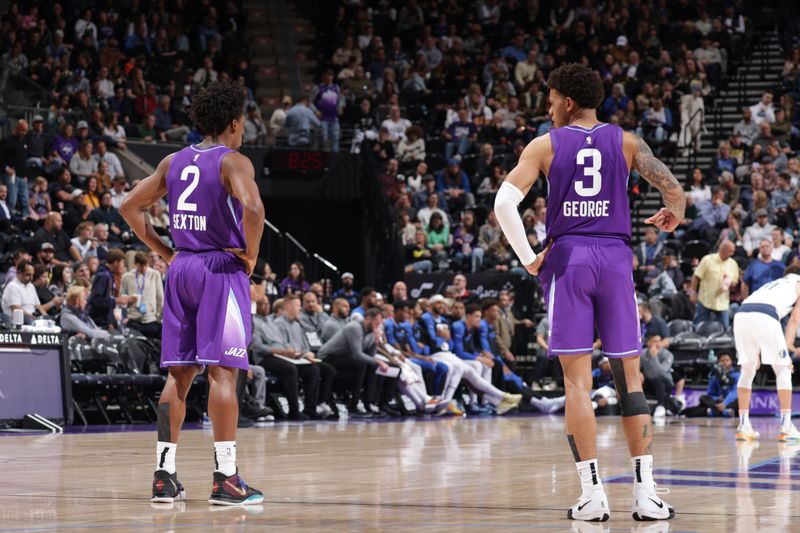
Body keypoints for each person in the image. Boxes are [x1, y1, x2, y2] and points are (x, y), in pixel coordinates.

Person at [494, 64, 684, 522]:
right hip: (616, 258)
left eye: (552, 98)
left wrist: (527, 257)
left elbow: (503, 203)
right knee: (630, 380)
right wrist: (673, 211)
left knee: (577, 383)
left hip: (570, 257)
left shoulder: (543, 144)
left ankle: (593, 495)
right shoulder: (626, 141)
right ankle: (645, 495)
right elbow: (672, 188)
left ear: (569, 102)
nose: (549, 106)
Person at [119, 81, 265, 505]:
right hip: (220, 267)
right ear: (234, 123)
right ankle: (226, 479)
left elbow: (129, 205)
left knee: (179, 375)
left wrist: (166, 251)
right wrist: (251, 256)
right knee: (223, 373)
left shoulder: (173, 160)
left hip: (181, 267)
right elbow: (254, 209)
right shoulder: (233, 161)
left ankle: (164, 476)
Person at [734, 266, 800, 442]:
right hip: (765, 314)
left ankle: (743, 426)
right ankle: (786, 427)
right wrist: (788, 349)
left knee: (747, 370)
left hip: (742, 312)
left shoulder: (775, 283)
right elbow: (794, 319)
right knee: (784, 369)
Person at [691, 241, 739, 328]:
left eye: (733, 251)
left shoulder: (733, 264)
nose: (732, 254)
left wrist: (730, 283)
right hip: (705, 299)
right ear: (722, 249)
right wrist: (693, 293)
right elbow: (696, 277)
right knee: (698, 326)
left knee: (724, 328)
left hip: (722, 302)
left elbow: (735, 283)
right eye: (730, 251)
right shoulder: (707, 260)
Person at [120, 251, 164, 339]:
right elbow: (122, 298)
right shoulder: (127, 277)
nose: (144, 268)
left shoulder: (155, 275)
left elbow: (160, 298)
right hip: (134, 320)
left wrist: (158, 317)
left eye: (146, 265)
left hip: (151, 320)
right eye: (141, 265)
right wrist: (128, 300)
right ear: (136, 264)